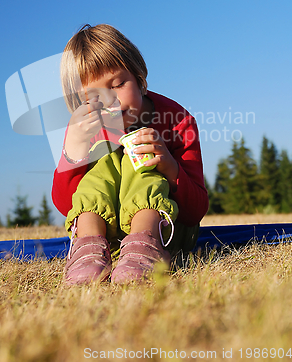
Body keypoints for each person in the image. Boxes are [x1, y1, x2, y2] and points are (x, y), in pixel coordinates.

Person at [52, 24, 208, 285]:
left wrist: (168, 166)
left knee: (137, 159)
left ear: (140, 80)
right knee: (105, 161)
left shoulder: (178, 121)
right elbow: (66, 205)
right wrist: (74, 149)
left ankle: (144, 241)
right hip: (110, 241)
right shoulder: (86, 130)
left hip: (168, 234)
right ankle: (88, 249)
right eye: (94, 96)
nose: (110, 101)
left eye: (118, 84)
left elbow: (195, 211)